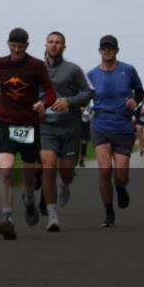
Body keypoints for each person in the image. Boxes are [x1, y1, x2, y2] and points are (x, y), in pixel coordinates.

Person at [0, 28, 56, 240]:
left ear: (27, 46)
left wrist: (44, 103)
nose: (17, 49)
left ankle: (29, 198)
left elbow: (50, 92)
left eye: (21, 46)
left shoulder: (36, 66)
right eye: (13, 45)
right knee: (5, 171)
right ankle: (7, 217)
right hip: (6, 125)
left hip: (29, 126)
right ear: (8, 44)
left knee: (29, 176)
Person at [37, 32, 95, 231]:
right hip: (46, 126)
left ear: (64, 46)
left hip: (70, 126)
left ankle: (65, 184)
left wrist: (68, 102)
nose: (54, 45)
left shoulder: (73, 69)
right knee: (49, 166)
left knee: (67, 172)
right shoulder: (37, 69)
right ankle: (52, 215)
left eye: (58, 43)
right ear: (46, 44)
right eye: (51, 42)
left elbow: (89, 91)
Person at [87, 35, 144, 228]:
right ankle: (109, 212)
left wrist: (135, 103)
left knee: (120, 174)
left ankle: (121, 188)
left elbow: (140, 92)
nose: (107, 51)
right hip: (101, 124)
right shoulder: (92, 74)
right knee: (104, 170)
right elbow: (84, 95)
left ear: (117, 50)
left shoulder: (128, 71)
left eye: (110, 48)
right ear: (99, 50)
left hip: (122, 125)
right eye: (104, 48)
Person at [78, 102, 91, 168]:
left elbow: (89, 118)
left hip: (85, 128)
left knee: (84, 146)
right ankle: (74, 161)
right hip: (78, 126)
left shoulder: (88, 107)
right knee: (76, 146)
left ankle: (82, 160)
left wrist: (85, 111)